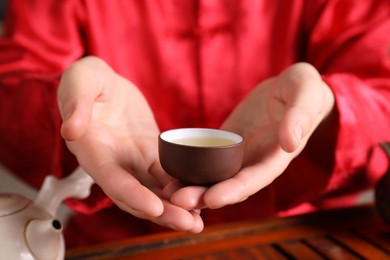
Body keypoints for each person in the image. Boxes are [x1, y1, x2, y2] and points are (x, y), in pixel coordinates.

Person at [0, 0, 389, 248]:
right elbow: (13, 85)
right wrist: (72, 111)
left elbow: (381, 86)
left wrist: (325, 107)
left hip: (305, 237)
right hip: (116, 241)